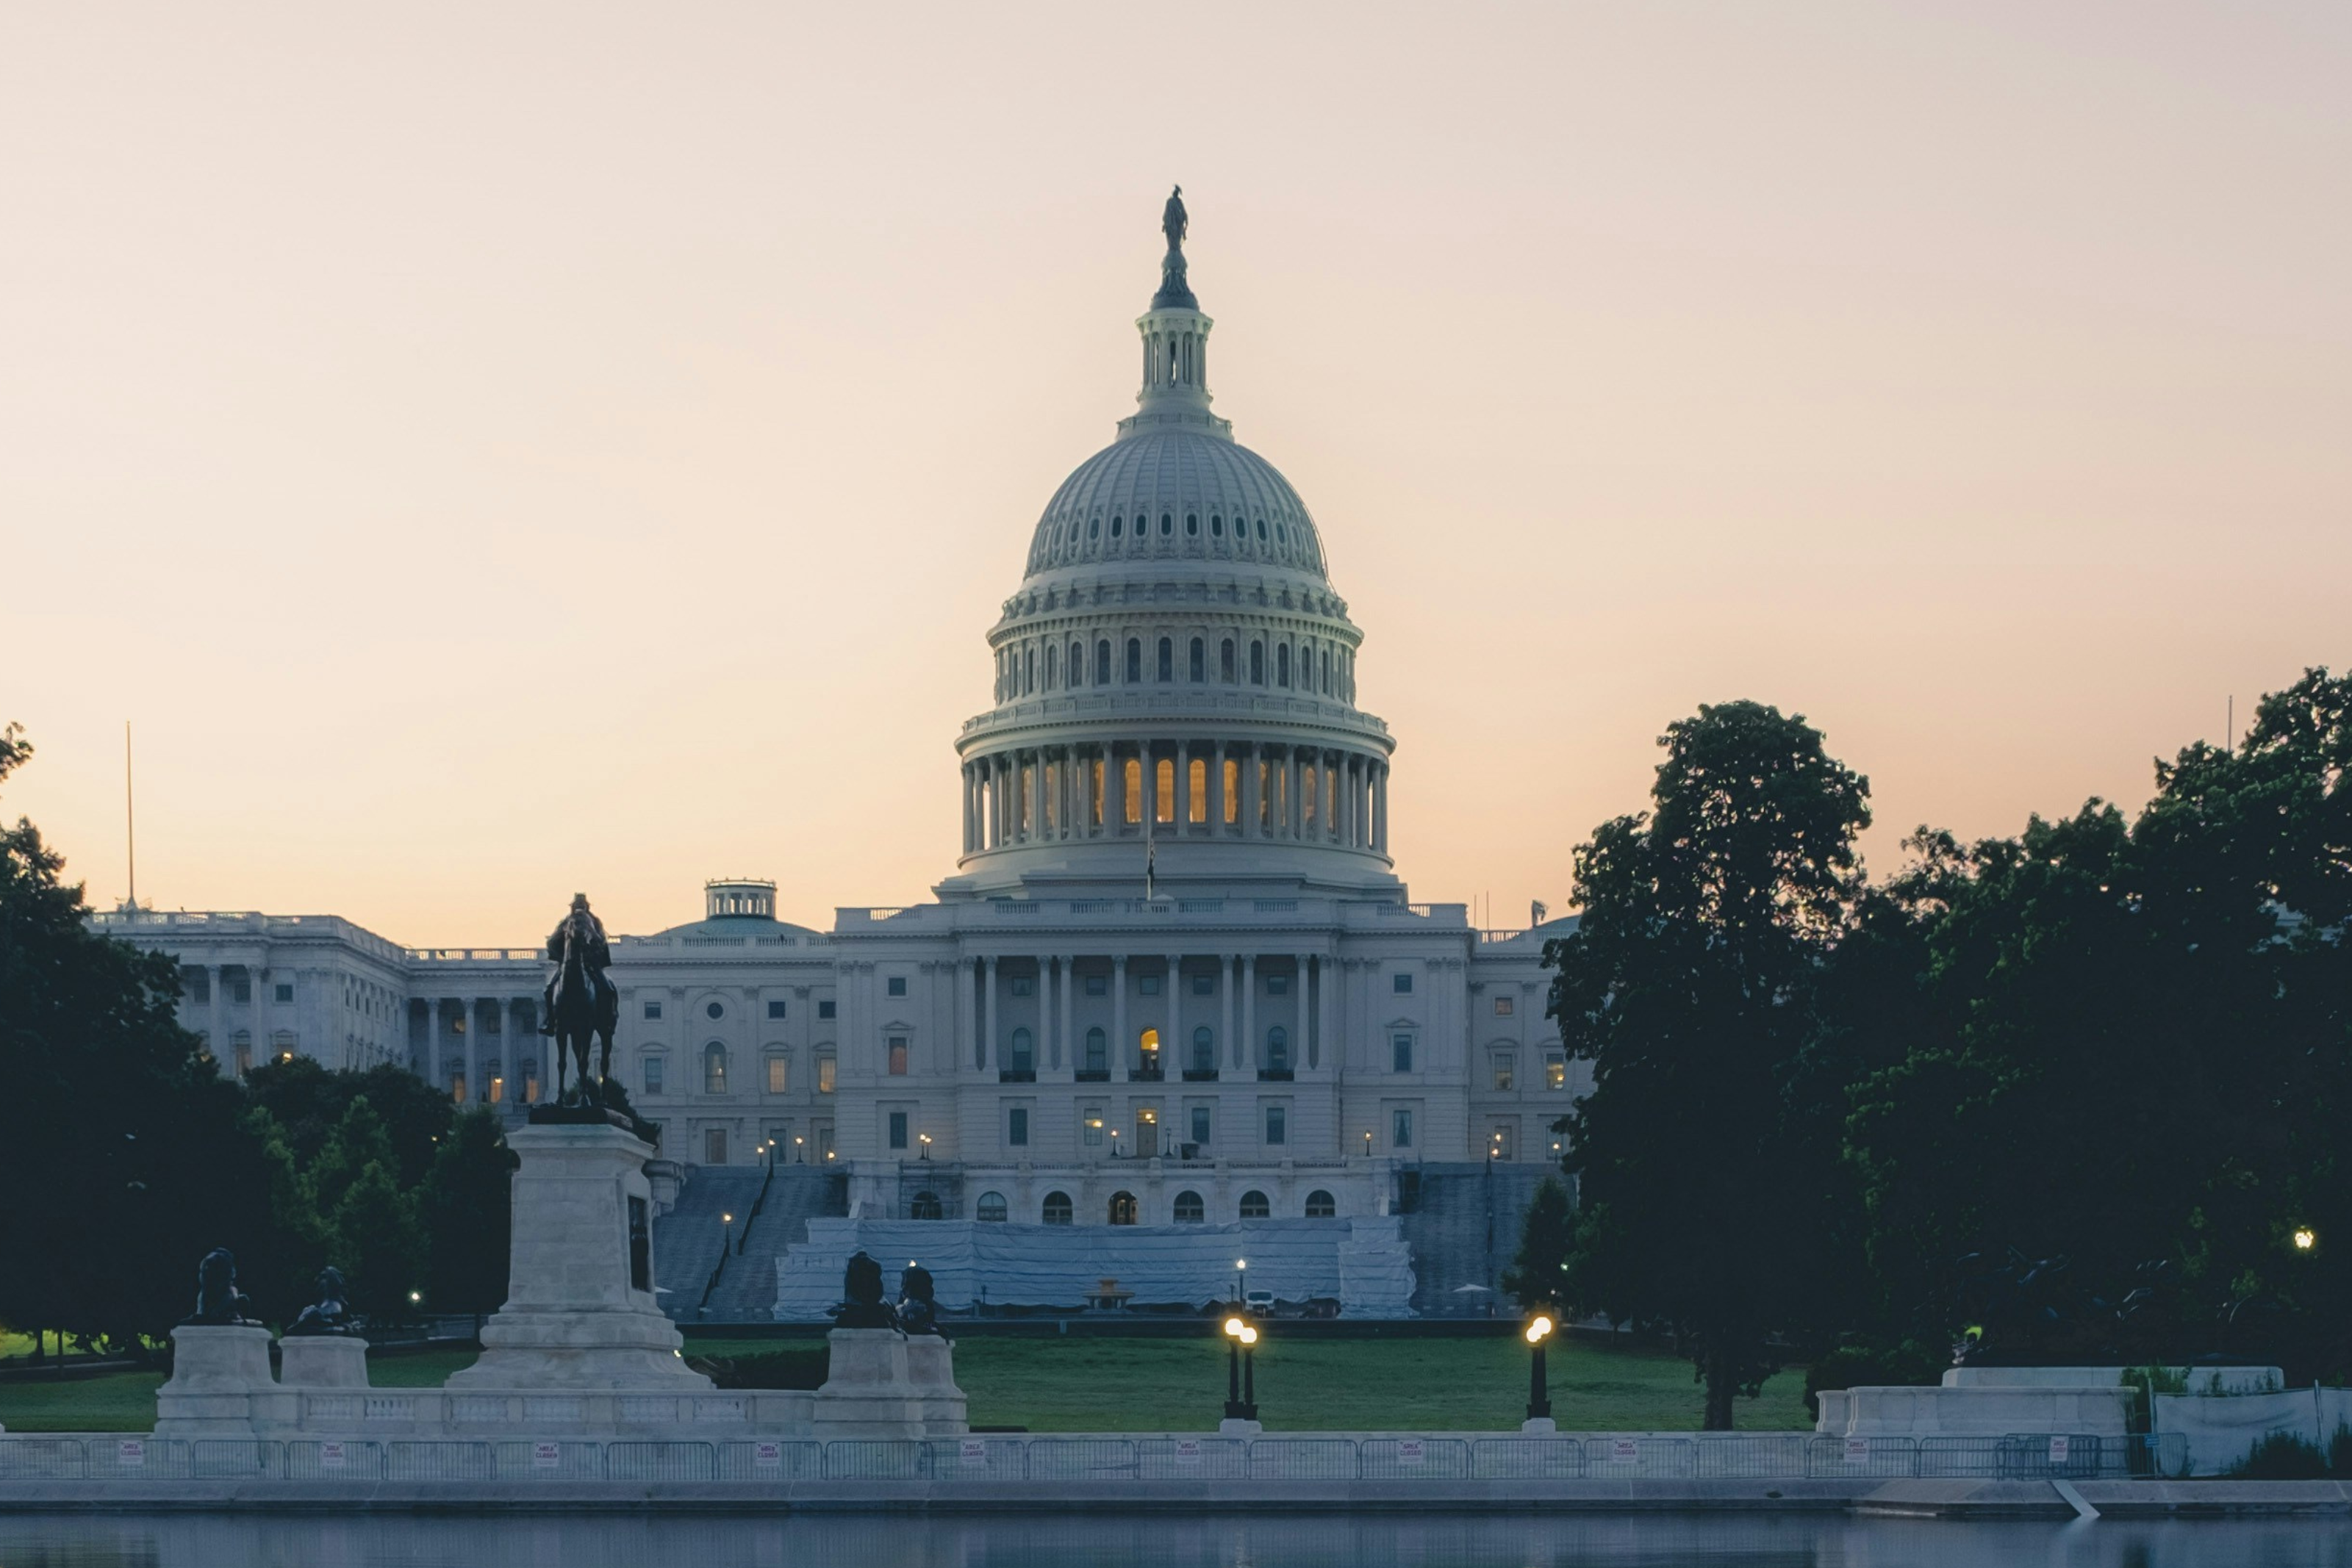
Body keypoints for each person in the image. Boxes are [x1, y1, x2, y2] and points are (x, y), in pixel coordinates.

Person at [541, 892, 612, 1034]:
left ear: (587, 907)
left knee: (607, 989)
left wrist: (591, 932)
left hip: (591, 964)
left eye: (582, 905)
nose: (580, 908)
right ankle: (550, 1021)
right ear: (573, 907)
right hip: (569, 963)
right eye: (577, 905)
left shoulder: (594, 922)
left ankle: (608, 1019)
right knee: (549, 990)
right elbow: (552, 941)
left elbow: (602, 940)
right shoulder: (566, 922)